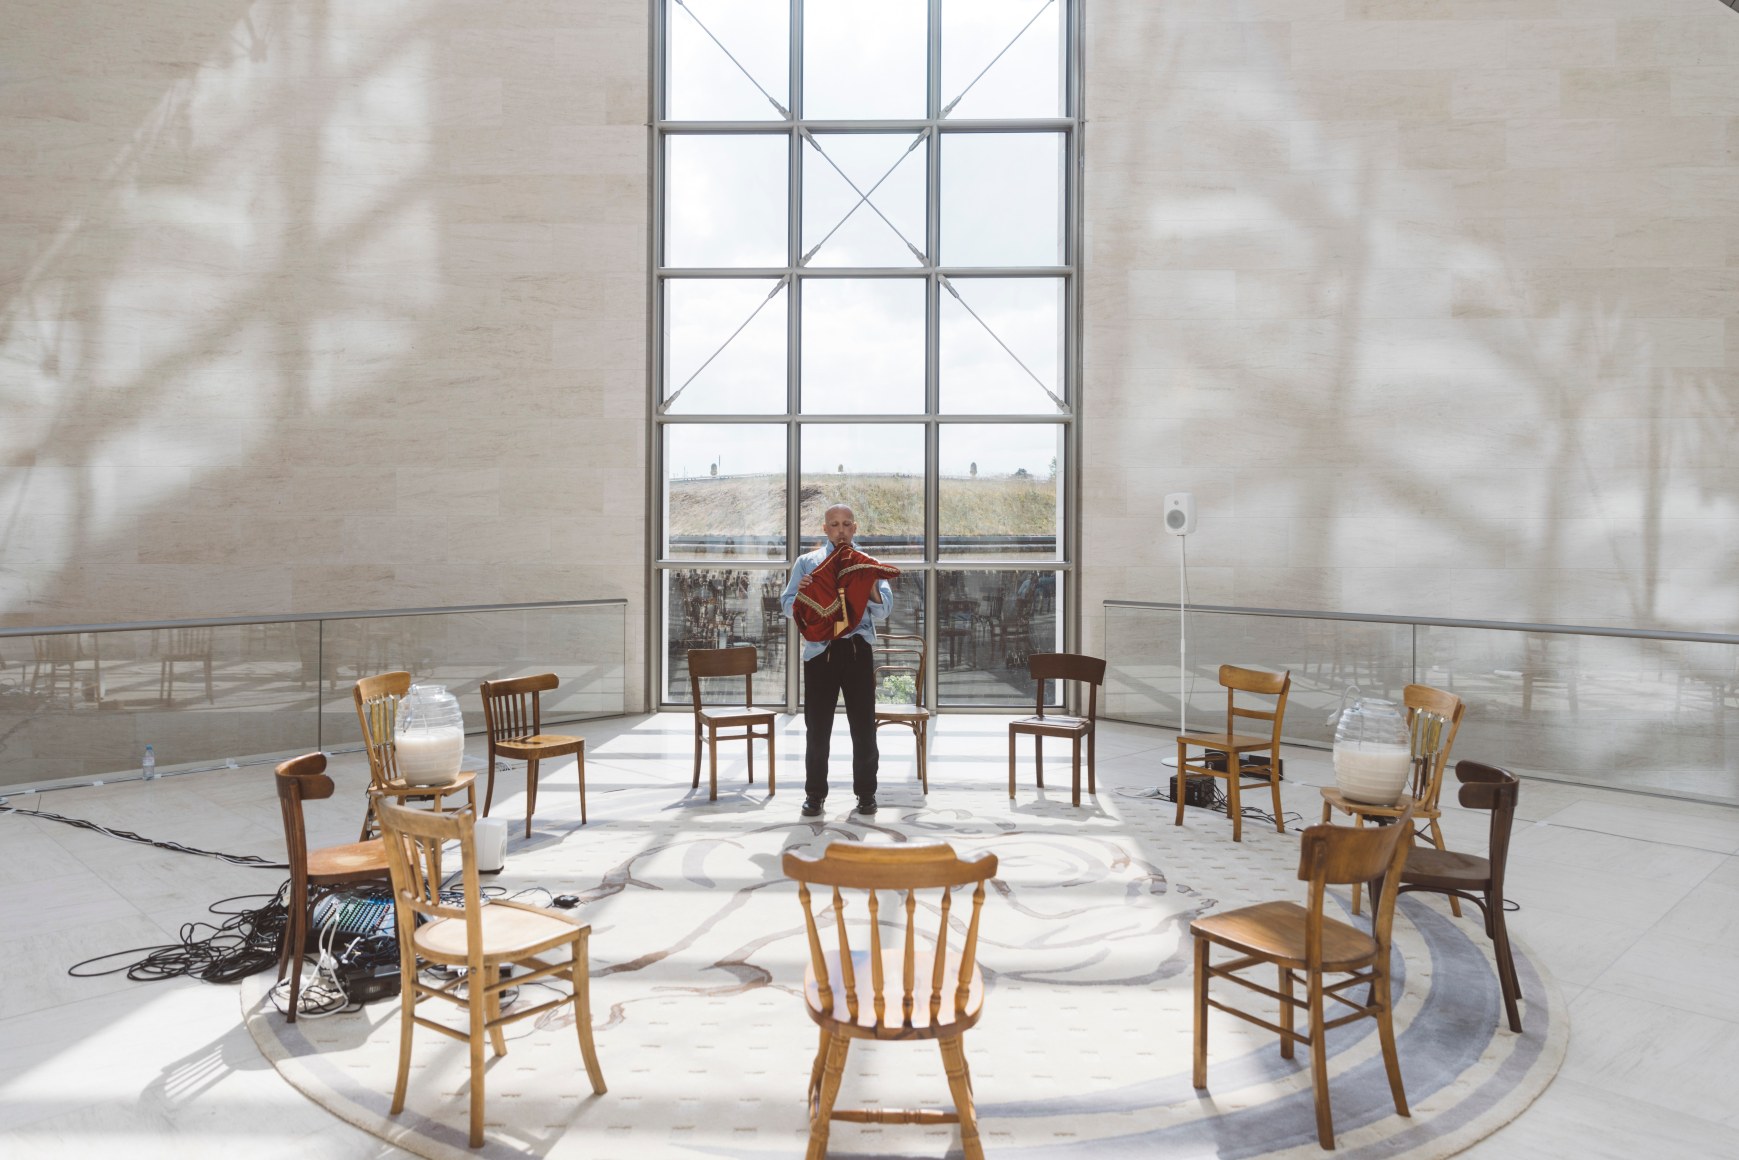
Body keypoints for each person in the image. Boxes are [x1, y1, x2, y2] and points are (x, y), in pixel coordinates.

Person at [780, 504, 893, 818]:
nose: (840, 530)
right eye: (834, 524)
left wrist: (868, 582)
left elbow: (884, 611)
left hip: (858, 650)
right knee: (817, 728)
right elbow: (787, 606)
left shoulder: (869, 564)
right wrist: (802, 596)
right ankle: (814, 796)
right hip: (820, 652)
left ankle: (867, 794)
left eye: (846, 524)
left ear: (854, 528)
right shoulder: (806, 563)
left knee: (863, 728)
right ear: (825, 529)